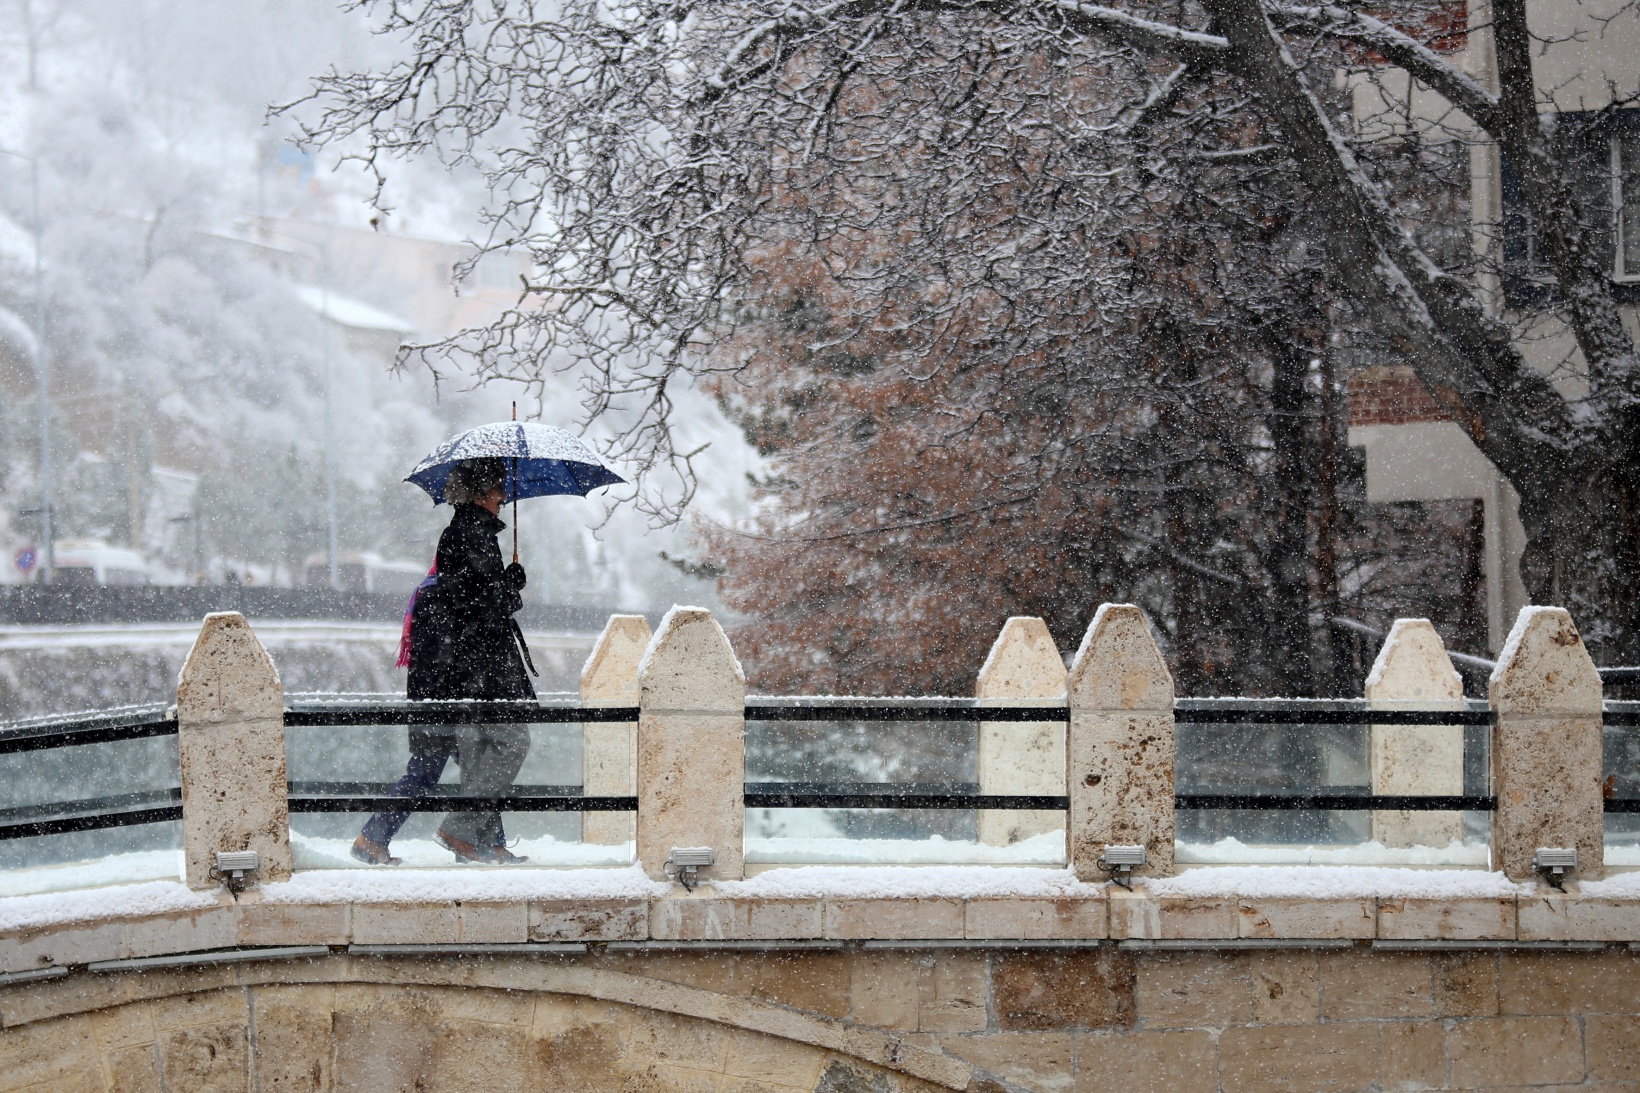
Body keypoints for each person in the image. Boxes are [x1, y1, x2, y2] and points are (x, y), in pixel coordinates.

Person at [352, 457, 535, 865]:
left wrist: (505, 585)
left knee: (466, 759)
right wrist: (510, 587)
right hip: (456, 678)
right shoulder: (470, 536)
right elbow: (481, 606)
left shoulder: (467, 536)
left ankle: (477, 841)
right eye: (498, 489)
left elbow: (473, 602)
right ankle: (455, 836)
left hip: (450, 676)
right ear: (481, 493)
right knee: (470, 755)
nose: (504, 497)